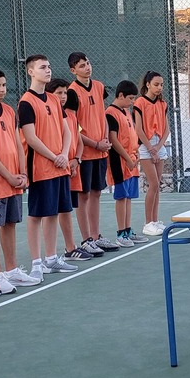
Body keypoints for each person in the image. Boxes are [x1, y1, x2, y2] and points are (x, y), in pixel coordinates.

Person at [0, 67, 42, 292]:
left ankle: (12, 270)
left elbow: (17, 143)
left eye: (4, 85)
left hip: (14, 179)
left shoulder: (10, 111)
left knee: (10, 223)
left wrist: (22, 173)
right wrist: (8, 176)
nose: (2, 89)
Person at [19, 55, 78, 280]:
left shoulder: (53, 99)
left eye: (49, 66)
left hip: (59, 166)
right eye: (43, 67)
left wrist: (64, 154)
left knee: (53, 213)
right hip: (41, 167)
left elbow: (67, 131)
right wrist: (54, 157)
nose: (48, 70)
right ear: (31, 72)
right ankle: (37, 263)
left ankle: (51, 258)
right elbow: (31, 138)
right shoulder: (26, 102)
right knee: (37, 215)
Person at [68, 52, 119, 252]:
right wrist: (95, 144)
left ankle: (96, 236)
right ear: (73, 70)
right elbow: (74, 126)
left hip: (100, 150)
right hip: (85, 153)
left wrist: (104, 139)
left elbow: (102, 115)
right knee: (84, 195)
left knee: (97, 193)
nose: (87, 67)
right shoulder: (72, 92)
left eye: (88, 63)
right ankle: (86, 239)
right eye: (81, 65)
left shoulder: (99, 86)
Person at [46, 78, 98, 261]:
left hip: (71, 168)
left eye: (65, 93)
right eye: (58, 93)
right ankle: (61, 251)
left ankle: (72, 246)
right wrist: (64, 161)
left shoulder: (71, 116)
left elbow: (78, 141)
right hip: (56, 168)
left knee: (67, 207)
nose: (62, 96)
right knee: (56, 210)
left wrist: (76, 159)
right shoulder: (49, 115)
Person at [106, 80, 142, 246]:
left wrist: (136, 152)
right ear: (120, 95)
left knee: (128, 197)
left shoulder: (126, 112)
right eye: (130, 98)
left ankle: (127, 230)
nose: (132, 101)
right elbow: (113, 139)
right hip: (119, 162)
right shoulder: (110, 113)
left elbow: (132, 134)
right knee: (121, 197)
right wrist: (127, 158)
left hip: (131, 161)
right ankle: (121, 234)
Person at [134, 71, 169, 236]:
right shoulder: (140, 102)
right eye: (156, 84)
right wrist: (150, 148)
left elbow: (166, 129)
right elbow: (138, 129)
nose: (159, 87)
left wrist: (159, 147)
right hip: (145, 146)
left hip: (158, 145)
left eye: (161, 85)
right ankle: (147, 223)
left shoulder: (163, 104)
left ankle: (155, 220)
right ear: (147, 84)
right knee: (153, 184)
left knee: (157, 185)